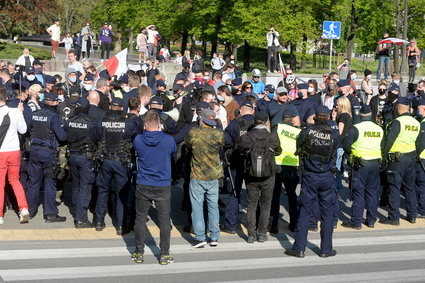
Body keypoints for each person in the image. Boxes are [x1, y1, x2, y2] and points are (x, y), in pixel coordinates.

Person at [285, 106, 338, 258]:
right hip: (327, 175)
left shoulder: (306, 131)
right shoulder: (333, 134)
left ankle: (299, 248)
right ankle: (326, 249)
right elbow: (334, 152)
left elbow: (299, 147)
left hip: (310, 175)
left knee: (305, 211)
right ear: (328, 118)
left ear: (315, 118)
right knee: (327, 213)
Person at [131, 110, 176, 265]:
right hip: (162, 184)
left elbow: (136, 150)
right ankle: (164, 253)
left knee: (140, 218)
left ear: (144, 125)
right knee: (164, 220)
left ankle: (139, 252)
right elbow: (172, 152)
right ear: (159, 124)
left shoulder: (138, 139)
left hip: (143, 183)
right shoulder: (168, 140)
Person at [238, 111, 281, 242]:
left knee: (251, 204)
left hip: (251, 174)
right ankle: (262, 233)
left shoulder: (246, 137)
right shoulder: (272, 136)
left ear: (254, 121)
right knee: (266, 204)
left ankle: (251, 234)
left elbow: (240, 151)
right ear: (266, 122)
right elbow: (278, 151)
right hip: (268, 174)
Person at [26, 92, 68, 222]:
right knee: (50, 182)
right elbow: (62, 137)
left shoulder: (35, 114)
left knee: (33, 182)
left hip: (34, 151)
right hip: (49, 153)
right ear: (55, 103)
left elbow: (28, 130)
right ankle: (50, 214)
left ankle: (30, 211)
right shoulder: (54, 117)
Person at [186, 108, 224, 248]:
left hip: (197, 175)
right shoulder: (219, 134)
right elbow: (222, 145)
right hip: (214, 174)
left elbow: (188, 144)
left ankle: (200, 237)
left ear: (201, 119)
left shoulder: (194, 133)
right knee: (213, 206)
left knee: (197, 207)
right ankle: (214, 236)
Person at [342, 105, 383, 229]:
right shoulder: (379, 129)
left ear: (360, 115)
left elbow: (346, 145)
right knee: (371, 192)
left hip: (360, 164)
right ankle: (371, 220)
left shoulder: (356, 128)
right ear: (371, 115)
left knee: (358, 192)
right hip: (375, 163)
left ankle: (356, 221)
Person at [94, 98, 132, 235]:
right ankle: (120, 225)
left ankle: (99, 221)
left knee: (102, 191)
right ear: (122, 108)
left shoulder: (102, 121)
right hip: (120, 161)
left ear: (110, 107)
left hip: (105, 160)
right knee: (121, 193)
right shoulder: (126, 123)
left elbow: (95, 136)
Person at [380, 97, 420, 225]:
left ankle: (394, 217)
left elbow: (388, 142)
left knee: (394, 187)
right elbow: (418, 142)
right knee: (409, 187)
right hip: (411, 157)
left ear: (398, 107)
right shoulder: (416, 123)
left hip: (397, 160)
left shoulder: (397, 122)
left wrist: (383, 156)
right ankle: (412, 215)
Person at [65, 97, 101, 228]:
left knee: (76, 186)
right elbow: (98, 138)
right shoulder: (92, 123)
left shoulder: (69, 121)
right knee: (85, 187)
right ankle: (81, 219)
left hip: (72, 156)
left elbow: (64, 137)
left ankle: (76, 211)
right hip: (86, 158)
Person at [0, 86, 30, 225]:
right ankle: (23, 208)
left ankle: (0, 215)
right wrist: (20, 113)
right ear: (6, 98)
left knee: (0, 184)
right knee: (15, 180)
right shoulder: (15, 111)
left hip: (1, 152)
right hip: (15, 151)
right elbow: (23, 130)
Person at [271, 107, 301, 234]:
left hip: (278, 164)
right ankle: (294, 224)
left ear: (283, 119)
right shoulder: (298, 132)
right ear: (292, 120)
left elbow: (272, 143)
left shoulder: (278, 128)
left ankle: (274, 226)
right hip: (293, 166)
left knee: (276, 196)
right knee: (292, 196)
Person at [416, 98, 425, 218]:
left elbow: (421, 143)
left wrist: (416, 154)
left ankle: (422, 209)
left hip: (423, 158)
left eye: (419, 109)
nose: (417, 111)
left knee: (422, 185)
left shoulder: (423, 124)